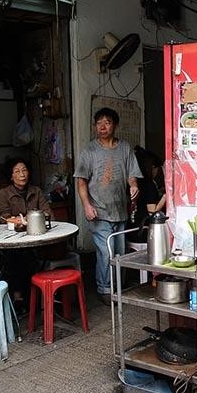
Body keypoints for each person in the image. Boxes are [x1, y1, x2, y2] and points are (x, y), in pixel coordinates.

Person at [75, 107, 141, 303]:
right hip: (98, 211)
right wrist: (86, 206)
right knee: (106, 251)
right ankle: (104, 289)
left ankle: (117, 288)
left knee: (119, 253)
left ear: (115, 125)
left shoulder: (125, 148)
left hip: (119, 210)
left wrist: (134, 185)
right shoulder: (89, 150)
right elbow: (81, 181)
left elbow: (132, 175)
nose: (102, 127)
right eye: (99, 123)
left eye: (107, 122)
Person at [0, 156, 53, 306]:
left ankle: (30, 296)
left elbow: (48, 213)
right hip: (14, 239)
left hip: (36, 237)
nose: (22, 174)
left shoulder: (36, 191)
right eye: (17, 171)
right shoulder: (3, 193)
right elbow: (4, 217)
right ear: (11, 175)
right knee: (16, 256)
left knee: (32, 256)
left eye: (24, 170)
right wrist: (17, 221)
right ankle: (20, 295)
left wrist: (30, 219)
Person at [130, 146, 167, 242]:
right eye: (157, 169)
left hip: (131, 231)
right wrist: (165, 196)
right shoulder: (149, 185)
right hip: (144, 233)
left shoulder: (135, 182)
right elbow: (152, 212)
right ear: (152, 167)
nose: (157, 172)